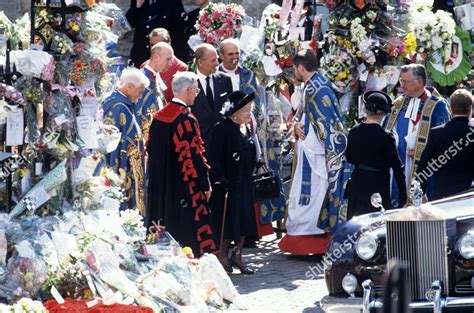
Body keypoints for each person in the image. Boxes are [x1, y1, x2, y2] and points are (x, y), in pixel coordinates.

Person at [278, 50, 350, 255]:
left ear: (301, 68)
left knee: (314, 196)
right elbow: (305, 116)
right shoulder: (313, 86)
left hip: (318, 156)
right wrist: (298, 126)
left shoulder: (319, 90)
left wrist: (308, 134)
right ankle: (304, 237)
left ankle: (314, 239)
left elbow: (329, 126)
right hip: (310, 153)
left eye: (295, 69)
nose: (294, 73)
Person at [145, 72, 217, 257]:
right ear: (188, 90)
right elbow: (194, 157)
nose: (197, 93)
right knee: (187, 233)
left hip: (160, 186)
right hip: (184, 188)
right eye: (196, 90)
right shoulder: (185, 119)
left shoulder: (159, 118)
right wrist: (205, 184)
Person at [217, 38, 274, 242]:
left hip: (247, 131)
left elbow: (258, 103)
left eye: (237, 54)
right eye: (230, 54)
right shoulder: (217, 77)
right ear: (221, 56)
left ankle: (248, 234)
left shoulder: (248, 75)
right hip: (227, 135)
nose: (235, 58)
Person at [384, 64, 451, 207]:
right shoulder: (398, 104)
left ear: (419, 82)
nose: (402, 86)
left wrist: (423, 152)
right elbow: (387, 130)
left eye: (405, 82)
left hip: (424, 167)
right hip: (399, 164)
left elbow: (445, 140)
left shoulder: (437, 105)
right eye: (401, 81)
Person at [209, 90, 257, 274]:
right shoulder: (221, 128)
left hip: (244, 181)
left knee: (244, 221)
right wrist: (221, 178)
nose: (249, 113)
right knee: (228, 222)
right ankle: (222, 256)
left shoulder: (247, 127)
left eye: (250, 109)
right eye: (245, 110)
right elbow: (214, 158)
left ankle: (237, 255)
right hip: (228, 184)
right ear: (234, 111)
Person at [345, 91, 407, 218]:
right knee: (378, 222)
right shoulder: (386, 137)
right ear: (383, 114)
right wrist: (403, 195)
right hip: (378, 185)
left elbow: (349, 157)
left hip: (358, 182)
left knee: (356, 220)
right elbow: (397, 167)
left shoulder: (354, 131)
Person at [101, 68, 148, 214]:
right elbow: (112, 145)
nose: (140, 97)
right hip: (122, 167)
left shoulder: (122, 104)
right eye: (139, 92)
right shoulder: (117, 107)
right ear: (129, 87)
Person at [416, 89, 474, 200]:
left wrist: (421, 192)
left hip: (442, 194)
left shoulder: (437, 132)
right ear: (470, 109)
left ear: (451, 109)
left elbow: (423, 166)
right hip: (469, 194)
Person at [191, 43, 233, 151]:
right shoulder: (189, 82)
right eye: (213, 60)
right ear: (200, 62)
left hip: (223, 144)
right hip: (199, 145)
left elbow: (230, 110)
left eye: (217, 59)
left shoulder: (225, 80)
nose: (217, 63)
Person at [136, 42, 174, 143]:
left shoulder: (155, 77)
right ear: (157, 57)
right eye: (168, 59)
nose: (170, 64)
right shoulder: (140, 80)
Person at [125, 0, 182, 68]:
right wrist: (137, 6)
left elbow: (177, 30)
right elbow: (126, 26)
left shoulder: (172, 2)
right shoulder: (138, 1)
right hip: (140, 54)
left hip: (161, 57)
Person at [140, 28, 188, 102]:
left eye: (158, 45)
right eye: (152, 45)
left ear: (168, 44)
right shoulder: (145, 66)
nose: (154, 48)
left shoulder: (180, 67)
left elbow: (177, 100)